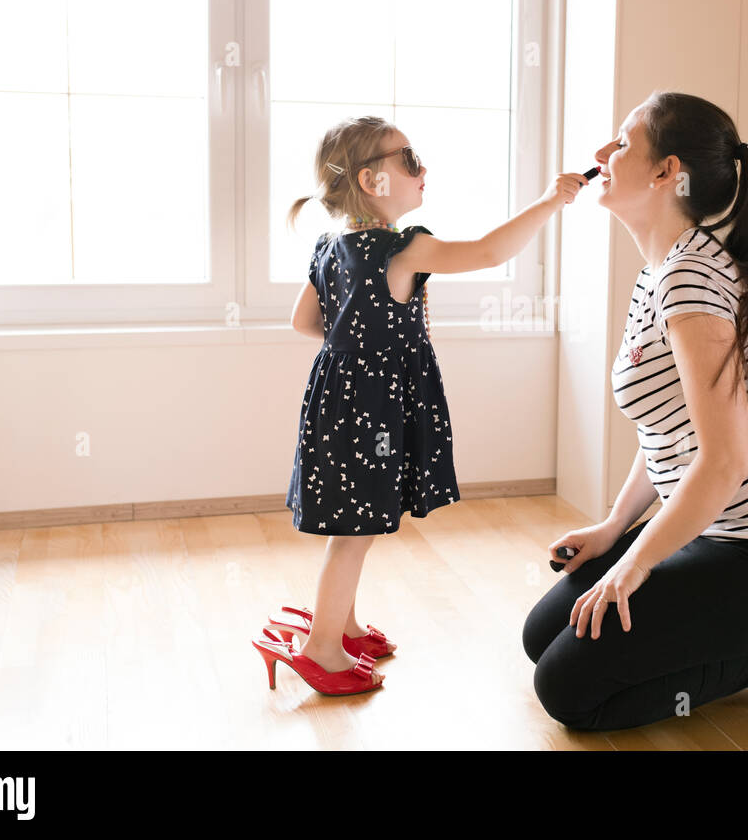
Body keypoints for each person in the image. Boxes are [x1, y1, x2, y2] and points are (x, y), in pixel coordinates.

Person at [522, 91, 748, 730]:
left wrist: (638, 564)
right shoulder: (663, 269)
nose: (601, 156)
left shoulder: (689, 279)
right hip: (708, 528)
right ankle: (726, 633)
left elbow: (724, 461)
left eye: (621, 142)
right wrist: (616, 528)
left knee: (568, 689)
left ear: (668, 173)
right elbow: (672, 427)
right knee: (542, 637)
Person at [253, 115, 591, 696]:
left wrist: (357, 352)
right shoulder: (399, 247)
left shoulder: (332, 245)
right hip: (375, 405)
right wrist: (549, 201)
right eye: (408, 159)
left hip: (339, 396)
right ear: (371, 180)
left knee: (355, 518)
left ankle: (345, 626)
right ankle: (321, 649)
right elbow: (488, 253)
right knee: (356, 530)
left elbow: (304, 321)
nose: (421, 169)